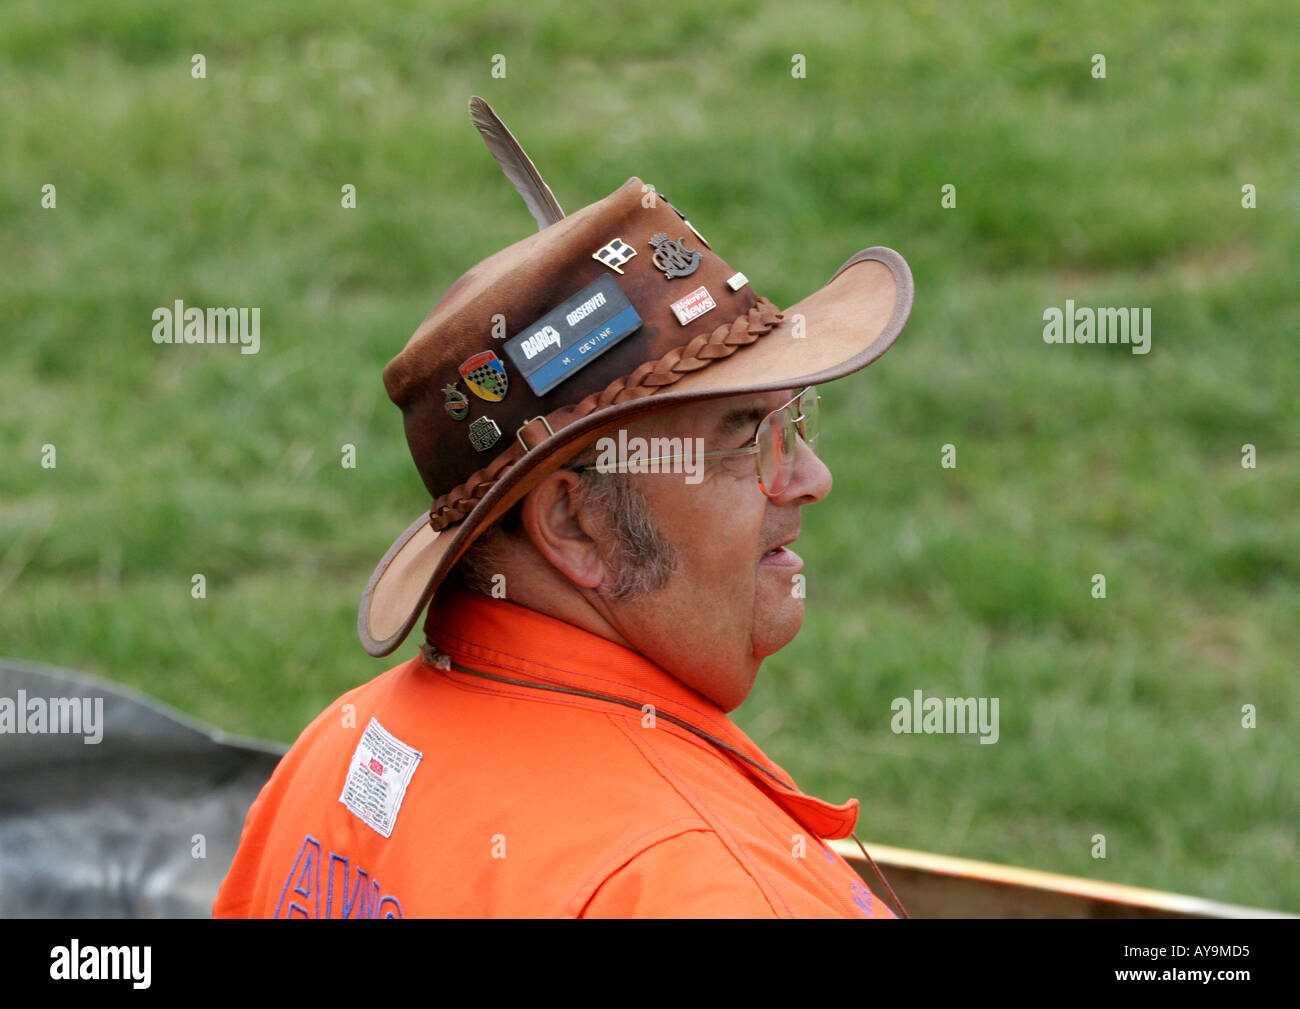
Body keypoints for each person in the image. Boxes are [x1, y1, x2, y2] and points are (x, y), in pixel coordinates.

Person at [213, 99, 915, 918]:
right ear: (576, 524)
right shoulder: (710, 889)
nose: (809, 476)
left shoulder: (338, 756)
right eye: (742, 437)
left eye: (790, 420)